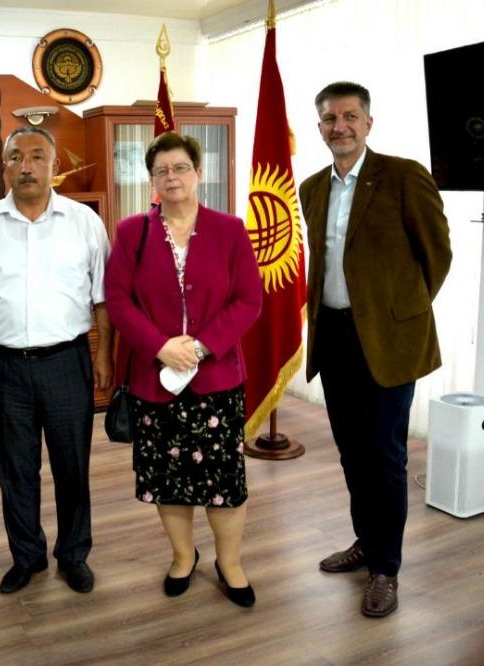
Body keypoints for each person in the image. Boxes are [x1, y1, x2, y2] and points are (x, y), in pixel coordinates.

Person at [299, 81, 452, 618]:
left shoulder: (404, 176)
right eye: (329, 118)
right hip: (334, 337)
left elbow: (436, 255)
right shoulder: (312, 188)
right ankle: (367, 542)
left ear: (368, 122)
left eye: (349, 116)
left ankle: (386, 568)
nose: (339, 126)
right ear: (320, 127)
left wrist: (397, 314)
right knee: (351, 452)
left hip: (387, 342)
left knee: (385, 457)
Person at [0, 126, 112, 595]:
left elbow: (104, 297)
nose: (26, 166)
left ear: (54, 165)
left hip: (67, 361)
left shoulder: (84, 222)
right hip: (6, 366)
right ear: (4, 167)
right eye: (16, 158)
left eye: (38, 156)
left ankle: (73, 554)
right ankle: (27, 557)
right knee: (16, 469)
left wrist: (105, 351)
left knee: (71, 465)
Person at [104, 132, 262, 607]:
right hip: (155, 382)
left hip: (217, 380)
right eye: (161, 171)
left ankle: (229, 563)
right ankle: (182, 556)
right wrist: (159, 347)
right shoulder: (132, 232)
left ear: (198, 172)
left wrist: (200, 346)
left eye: (180, 168)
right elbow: (118, 300)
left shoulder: (230, 229)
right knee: (167, 480)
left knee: (223, 480)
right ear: (151, 180)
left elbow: (249, 300)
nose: (171, 177)